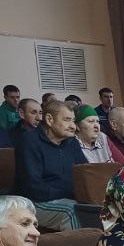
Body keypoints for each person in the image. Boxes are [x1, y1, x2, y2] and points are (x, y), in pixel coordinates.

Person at [15, 99, 86, 231]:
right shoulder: (29, 141)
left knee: (100, 208)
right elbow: (33, 188)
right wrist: (71, 193)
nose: (73, 126)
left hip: (68, 197)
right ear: (49, 119)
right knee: (73, 211)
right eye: (67, 120)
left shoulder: (72, 142)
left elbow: (84, 174)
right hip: (33, 202)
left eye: (73, 120)